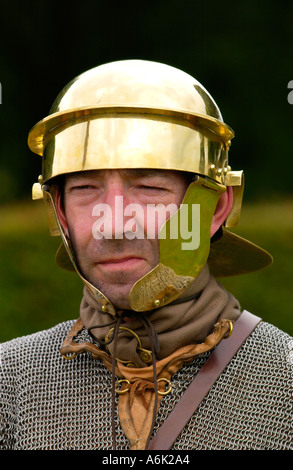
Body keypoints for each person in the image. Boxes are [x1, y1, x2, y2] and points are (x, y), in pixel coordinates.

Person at [0, 60, 292, 451]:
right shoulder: (11, 381)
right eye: (86, 187)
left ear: (214, 209)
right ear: (59, 212)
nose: (115, 223)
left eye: (149, 187)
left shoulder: (285, 381)